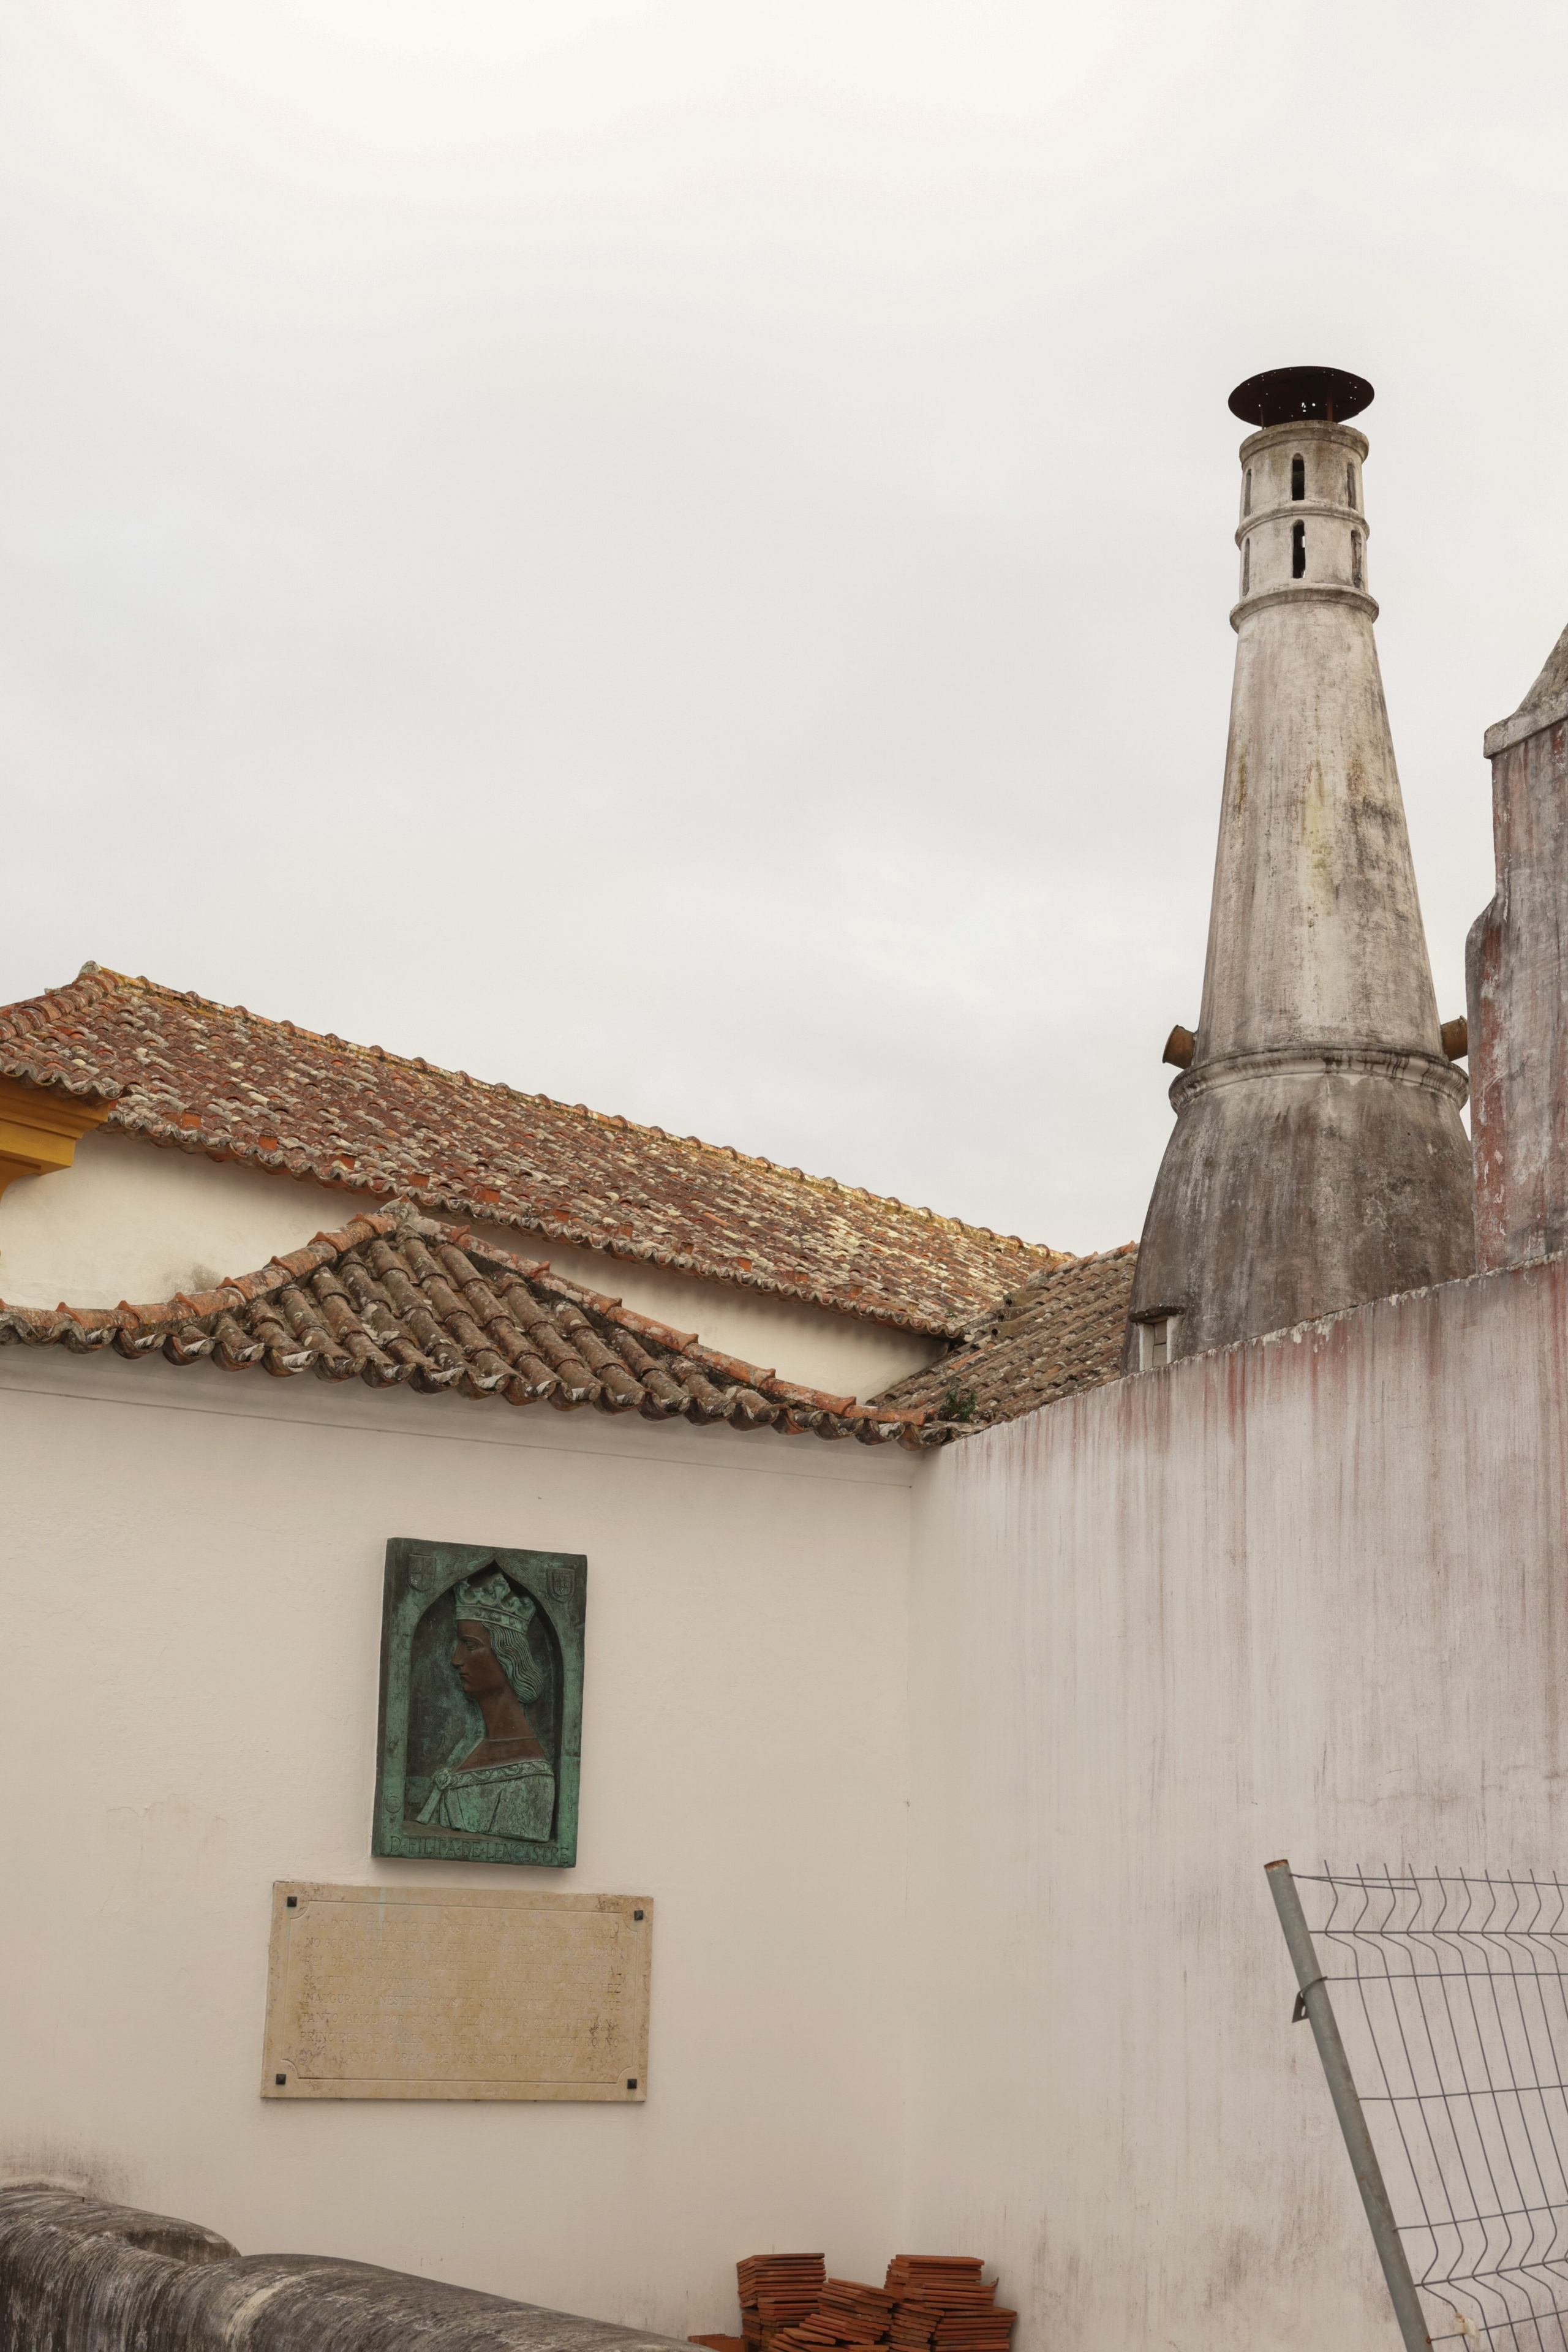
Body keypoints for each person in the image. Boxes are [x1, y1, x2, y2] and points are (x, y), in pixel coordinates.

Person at [415, 1570, 555, 1841]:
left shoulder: (531, 1779)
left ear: (509, 1657)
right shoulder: (471, 1747)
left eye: (470, 1645)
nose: (456, 1659)